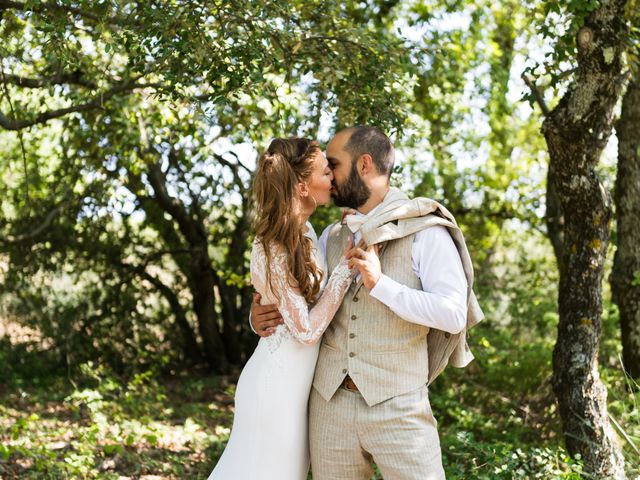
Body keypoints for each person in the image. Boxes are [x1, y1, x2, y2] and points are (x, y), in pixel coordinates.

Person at [251, 126, 484, 479]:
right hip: (328, 406)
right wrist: (261, 317)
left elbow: (454, 314)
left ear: (363, 166)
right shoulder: (329, 235)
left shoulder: (426, 230)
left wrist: (381, 284)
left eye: (333, 165)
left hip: (399, 407)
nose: (329, 177)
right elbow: (299, 301)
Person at [208, 137, 361, 479]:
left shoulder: (306, 230)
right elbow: (305, 330)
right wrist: (347, 269)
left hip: (295, 391)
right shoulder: (273, 242)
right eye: (326, 171)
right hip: (274, 388)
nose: (333, 178)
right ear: (303, 186)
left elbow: (291, 303)